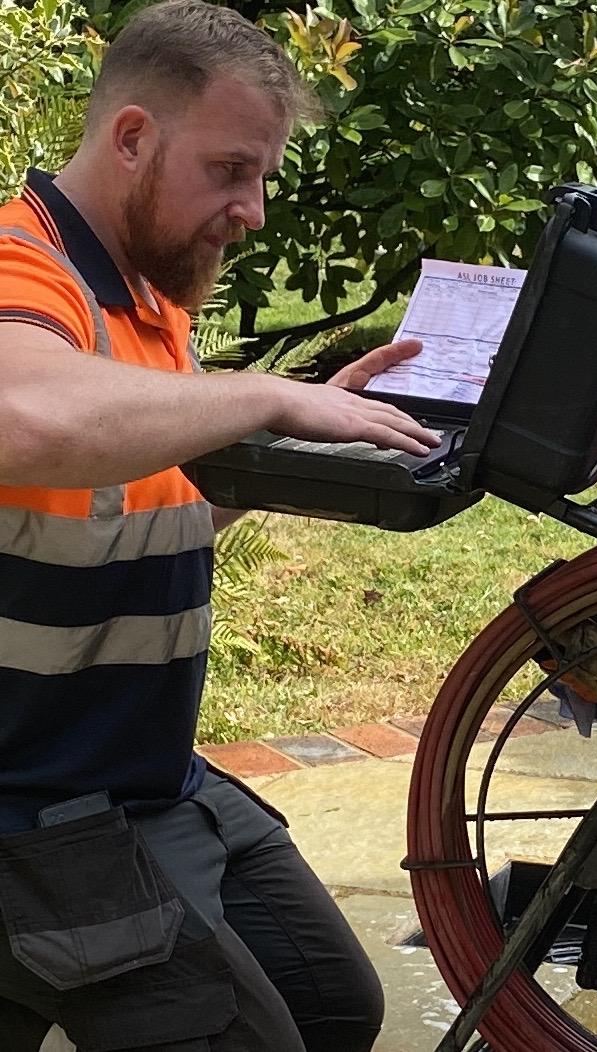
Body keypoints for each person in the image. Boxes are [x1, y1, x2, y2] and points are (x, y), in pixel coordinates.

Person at [0, 2, 437, 1050]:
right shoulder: (24, 270)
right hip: (32, 808)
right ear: (134, 137)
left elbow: (147, 497)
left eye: (263, 176)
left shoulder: (146, 299)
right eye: (232, 168)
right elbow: (26, 419)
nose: (252, 209)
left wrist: (311, 439)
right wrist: (262, 397)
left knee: (335, 1000)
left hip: (137, 775)